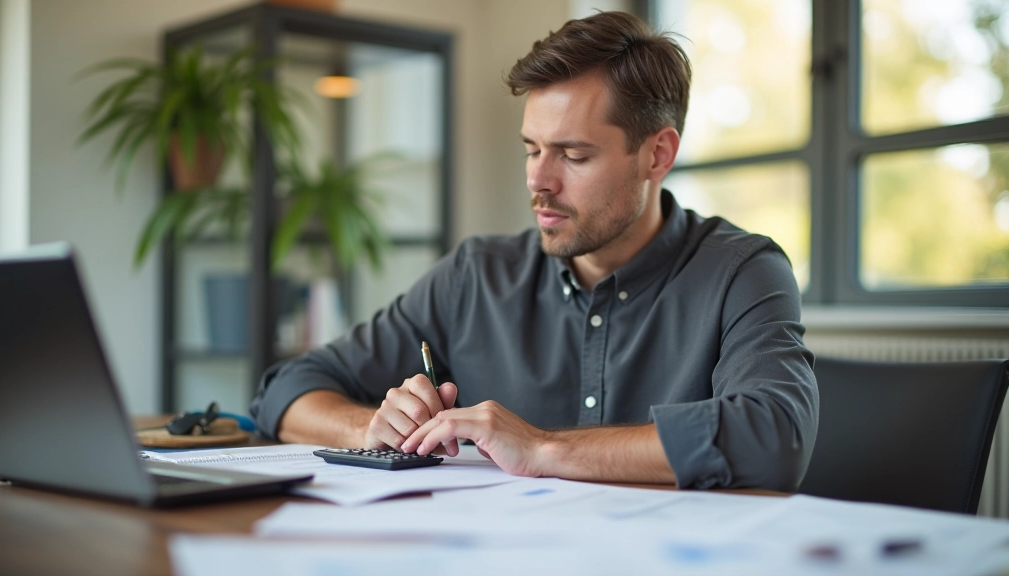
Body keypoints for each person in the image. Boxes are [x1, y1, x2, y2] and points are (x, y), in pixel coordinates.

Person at [251, 11, 818, 491]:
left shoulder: (742, 271)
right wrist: (370, 426)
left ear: (657, 154)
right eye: (532, 149)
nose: (539, 181)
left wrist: (543, 448)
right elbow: (288, 390)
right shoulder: (476, 276)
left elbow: (775, 435)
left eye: (573, 156)